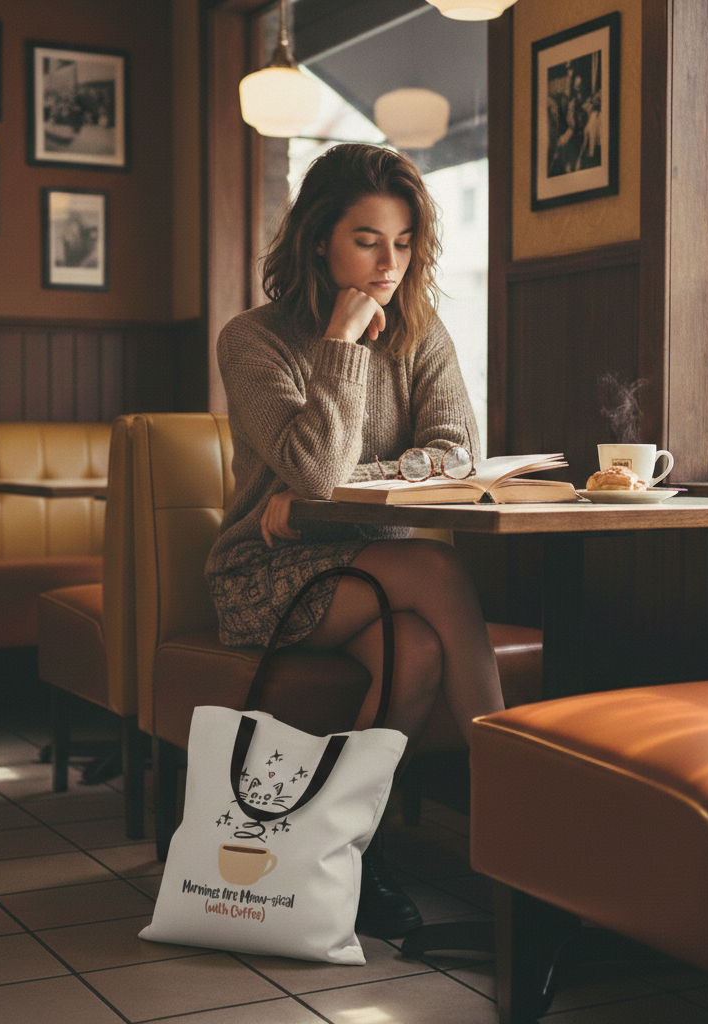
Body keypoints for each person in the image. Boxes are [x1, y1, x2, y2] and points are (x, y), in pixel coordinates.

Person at [204, 143, 505, 938]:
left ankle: (341, 851)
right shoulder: (252, 339)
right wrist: (341, 342)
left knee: (420, 649)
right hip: (265, 577)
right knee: (437, 566)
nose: (389, 263)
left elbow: (457, 451)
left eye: (403, 242)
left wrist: (323, 494)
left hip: (376, 576)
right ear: (318, 240)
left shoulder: (420, 331)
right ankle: (512, 809)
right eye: (368, 239)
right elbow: (311, 466)